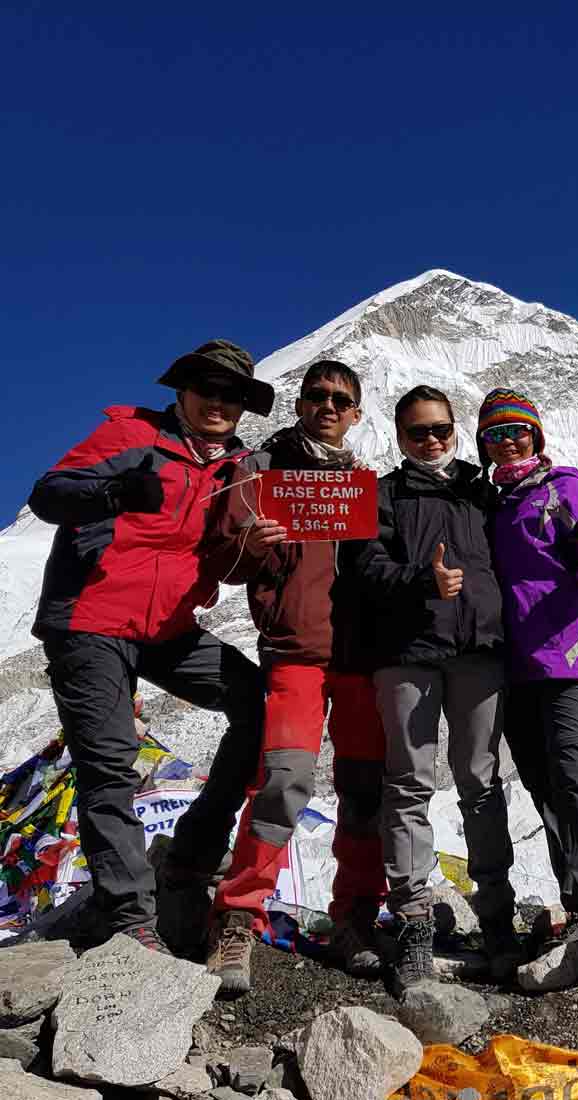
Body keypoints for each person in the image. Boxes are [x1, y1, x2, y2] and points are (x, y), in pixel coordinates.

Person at [27, 339, 274, 951]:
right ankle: (131, 919)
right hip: (91, 620)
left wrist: (258, 547)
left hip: (167, 628)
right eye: (207, 390)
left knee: (259, 706)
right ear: (182, 392)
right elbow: (49, 493)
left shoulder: (238, 469)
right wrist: (112, 493)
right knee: (110, 764)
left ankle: (192, 850)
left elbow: (227, 562)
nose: (218, 403)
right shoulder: (130, 436)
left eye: (232, 395)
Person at [198, 360, 388, 996]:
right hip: (296, 651)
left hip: (361, 658)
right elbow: (222, 561)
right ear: (301, 402)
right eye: (318, 395)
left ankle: (356, 917)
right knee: (283, 779)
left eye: (342, 398)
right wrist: (252, 545)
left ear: (356, 413)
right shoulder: (261, 468)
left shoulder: (366, 482)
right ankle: (239, 916)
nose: (329, 406)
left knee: (366, 791)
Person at [340, 385, 522, 995]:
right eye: (419, 432)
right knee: (409, 784)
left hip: (478, 651)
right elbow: (363, 568)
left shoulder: (482, 487)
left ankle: (497, 915)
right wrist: (422, 577)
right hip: (407, 655)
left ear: (454, 428)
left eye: (441, 429)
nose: (433, 441)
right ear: (400, 436)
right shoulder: (382, 494)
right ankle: (414, 920)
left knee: (480, 781)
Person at [476, 387, 578, 985]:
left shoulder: (563, 486)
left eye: (518, 430)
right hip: (514, 664)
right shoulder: (492, 505)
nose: (508, 441)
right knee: (544, 782)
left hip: (568, 655)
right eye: (495, 433)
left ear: (537, 436)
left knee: (573, 765)